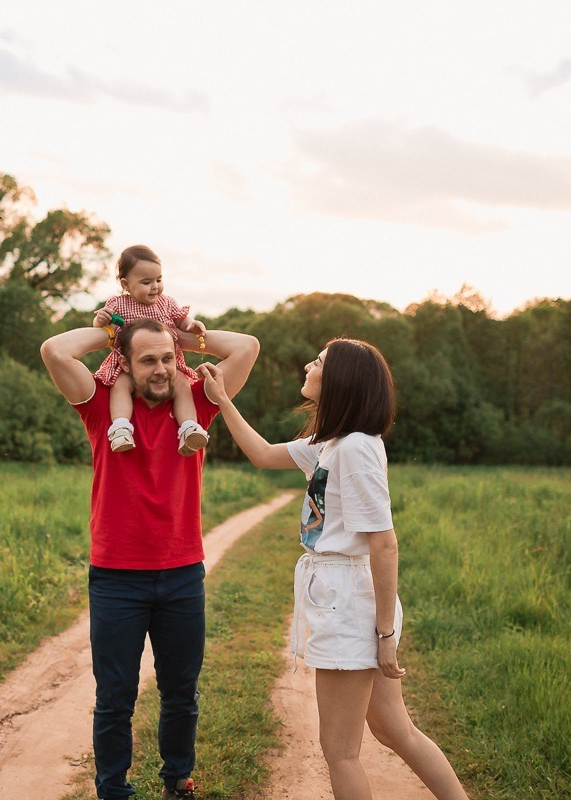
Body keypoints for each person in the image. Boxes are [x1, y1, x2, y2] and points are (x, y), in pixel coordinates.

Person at [196, 340, 469, 800]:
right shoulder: (331, 444)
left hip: (349, 603)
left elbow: (384, 542)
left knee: (340, 751)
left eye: (319, 361)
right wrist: (222, 399)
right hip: (347, 595)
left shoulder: (356, 448)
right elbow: (263, 454)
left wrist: (384, 634)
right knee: (394, 730)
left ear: (341, 379)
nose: (308, 365)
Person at [41, 313, 260, 800]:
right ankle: (113, 790)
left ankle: (177, 783)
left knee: (181, 693)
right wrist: (113, 332)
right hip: (116, 578)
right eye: (147, 361)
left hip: (182, 574)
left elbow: (246, 346)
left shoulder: (195, 409)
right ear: (124, 363)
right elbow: (55, 350)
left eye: (167, 359)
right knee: (114, 699)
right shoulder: (101, 407)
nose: (161, 369)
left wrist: (178, 335)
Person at [93, 245, 210, 456]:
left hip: (163, 363)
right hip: (129, 364)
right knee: (120, 386)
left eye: (159, 280)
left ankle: (189, 428)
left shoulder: (166, 303)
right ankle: (120, 428)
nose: (155, 287)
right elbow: (103, 327)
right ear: (126, 284)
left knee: (182, 384)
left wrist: (192, 325)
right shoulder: (118, 304)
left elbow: (182, 320)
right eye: (146, 282)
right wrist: (100, 321)